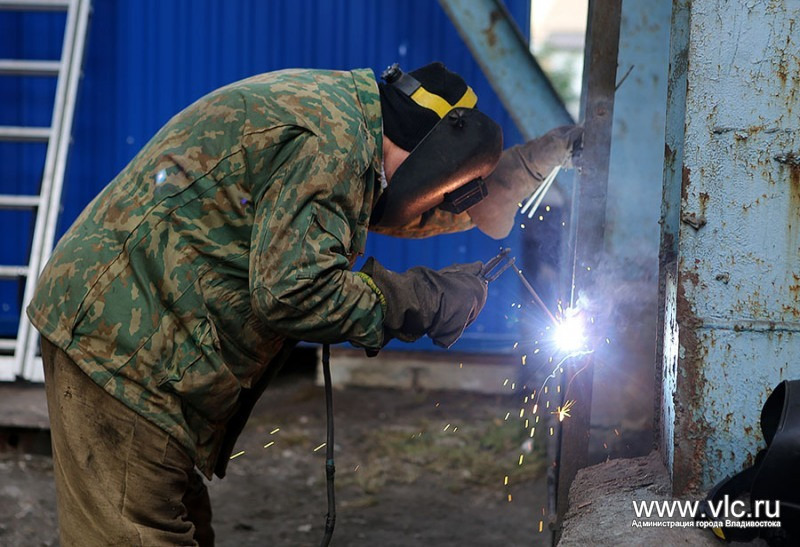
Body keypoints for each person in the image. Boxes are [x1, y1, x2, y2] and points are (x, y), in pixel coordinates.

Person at [27, 61, 581, 545]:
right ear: (425, 158)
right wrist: (422, 300)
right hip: (120, 344)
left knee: (180, 523)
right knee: (136, 531)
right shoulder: (331, 144)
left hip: (148, 334)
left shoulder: (354, 123)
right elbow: (294, 292)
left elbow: (393, 204)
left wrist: (515, 174)